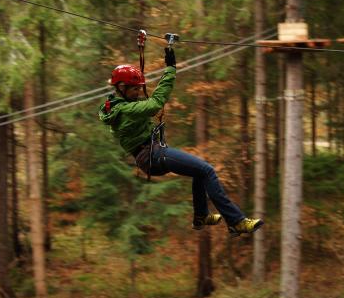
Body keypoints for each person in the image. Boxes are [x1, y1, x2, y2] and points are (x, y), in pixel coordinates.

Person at [98, 47, 263, 236]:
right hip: (152, 155)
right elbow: (155, 103)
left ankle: (201, 216)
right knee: (207, 170)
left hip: (152, 154)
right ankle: (236, 222)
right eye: (134, 89)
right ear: (121, 88)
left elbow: (149, 108)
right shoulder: (126, 110)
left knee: (200, 172)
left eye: (137, 88)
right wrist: (170, 69)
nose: (137, 92)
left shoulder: (122, 107)